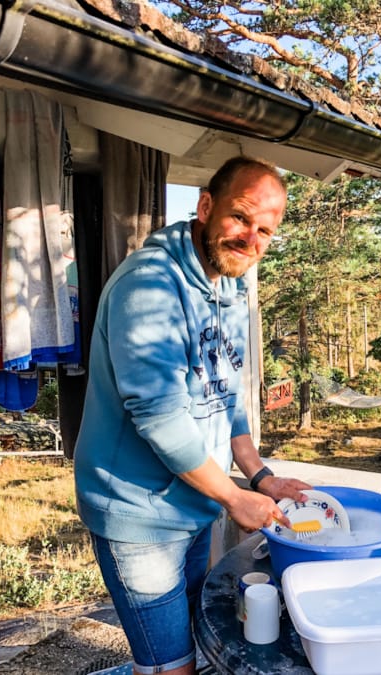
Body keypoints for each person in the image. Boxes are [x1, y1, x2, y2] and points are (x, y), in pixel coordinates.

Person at [74, 156, 311, 675]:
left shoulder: (229, 287)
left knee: (201, 642)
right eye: (241, 218)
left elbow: (228, 393)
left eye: (265, 231)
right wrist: (232, 496)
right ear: (205, 207)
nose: (251, 239)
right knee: (169, 665)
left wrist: (260, 476)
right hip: (137, 513)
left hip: (193, 502)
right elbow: (158, 416)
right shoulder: (150, 287)